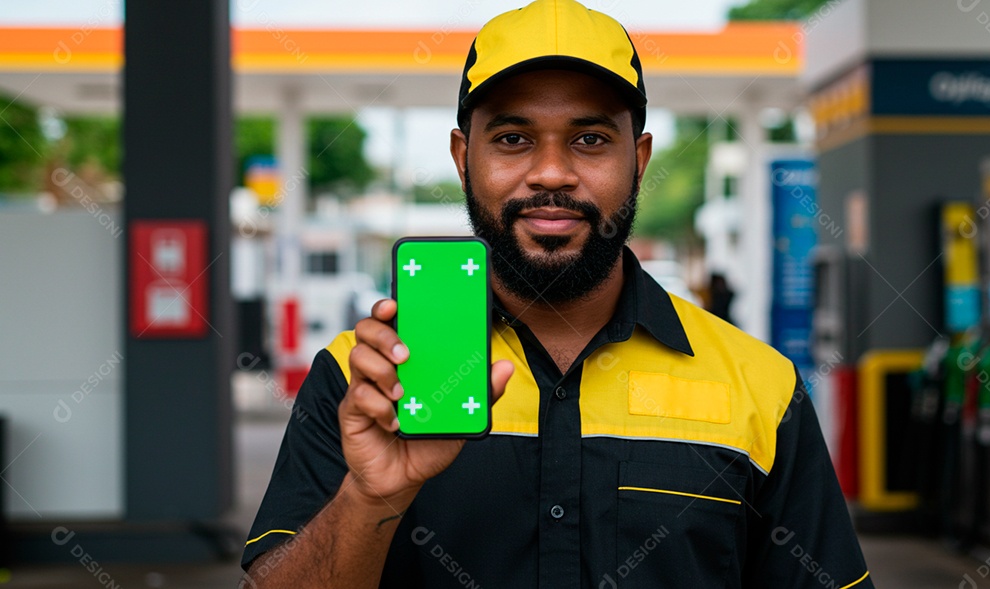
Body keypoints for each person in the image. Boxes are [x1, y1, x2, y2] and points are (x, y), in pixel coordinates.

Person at [241, 1, 874, 587]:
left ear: (639, 159)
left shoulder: (761, 390)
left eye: (590, 139)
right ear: (464, 158)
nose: (551, 173)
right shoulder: (361, 380)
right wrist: (370, 498)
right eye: (513, 139)